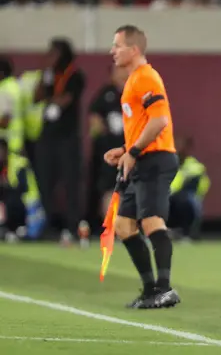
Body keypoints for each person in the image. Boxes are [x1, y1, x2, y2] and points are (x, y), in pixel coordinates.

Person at [103, 25, 180, 309]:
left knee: (151, 221)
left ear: (134, 49)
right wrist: (125, 150)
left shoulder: (146, 77)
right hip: (140, 158)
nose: (112, 51)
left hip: (155, 159)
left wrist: (133, 151)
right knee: (124, 226)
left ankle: (165, 288)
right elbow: (146, 124)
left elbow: (160, 121)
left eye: (117, 45)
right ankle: (150, 289)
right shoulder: (135, 79)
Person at [33, 38, 86, 246]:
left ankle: (73, 226)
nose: (51, 58)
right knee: (45, 182)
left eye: (54, 54)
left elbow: (66, 100)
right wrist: (44, 75)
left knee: (71, 182)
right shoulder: (48, 75)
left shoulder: (75, 75)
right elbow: (36, 97)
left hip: (67, 138)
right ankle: (46, 225)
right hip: (47, 137)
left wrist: (51, 99)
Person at [88, 65, 128, 228]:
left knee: (131, 189)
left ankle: (130, 228)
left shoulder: (136, 94)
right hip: (111, 152)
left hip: (131, 152)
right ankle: (111, 228)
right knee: (110, 189)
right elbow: (94, 119)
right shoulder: (106, 95)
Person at [0, 139, 45, 242]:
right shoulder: (5, 164)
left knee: (32, 235)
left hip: (30, 203)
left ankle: (14, 229)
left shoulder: (18, 163)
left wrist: (5, 185)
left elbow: (23, 188)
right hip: (21, 201)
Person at [168, 136, 210, 241]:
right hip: (167, 197)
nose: (178, 149)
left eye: (181, 147)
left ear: (188, 149)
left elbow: (196, 188)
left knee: (186, 201)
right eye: (176, 146)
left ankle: (187, 233)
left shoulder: (195, 167)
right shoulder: (167, 165)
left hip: (186, 199)